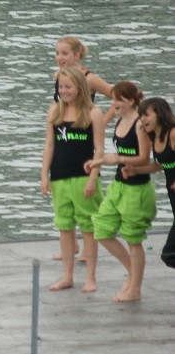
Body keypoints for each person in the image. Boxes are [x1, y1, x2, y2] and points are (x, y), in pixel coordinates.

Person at [86, 84, 157, 302]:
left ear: (132, 101)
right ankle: (131, 270)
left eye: (120, 100)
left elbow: (145, 158)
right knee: (101, 229)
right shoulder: (118, 121)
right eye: (113, 100)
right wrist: (98, 161)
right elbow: (114, 156)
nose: (115, 104)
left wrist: (118, 159)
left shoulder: (139, 125)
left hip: (137, 189)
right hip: (118, 186)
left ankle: (134, 288)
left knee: (133, 239)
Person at [40, 66, 105, 292]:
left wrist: (92, 178)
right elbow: (49, 145)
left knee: (88, 227)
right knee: (64, 227)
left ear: (80, 87)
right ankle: (67, 276)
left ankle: (91, 278)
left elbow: (99, 149)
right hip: (60, 177)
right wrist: (44, 176)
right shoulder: (54, 112)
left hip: (83, 177)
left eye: (68, 87)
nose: (64, 91)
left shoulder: (93, 113)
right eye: (61, 87)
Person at [52, 36, 113, 262]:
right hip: (67, 139)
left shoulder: (90, 78)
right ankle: (73, 245)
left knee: (87, 204)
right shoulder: (59, 77)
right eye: (57, 53)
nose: (60, 58)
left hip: (86, 145)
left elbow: (116, 96)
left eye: (65, 54)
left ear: (77, 56)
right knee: (66, 208)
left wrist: (104, 120)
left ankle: (88, 248)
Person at [122, 97, 175, 269]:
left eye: (146, 115)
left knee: (169, 254)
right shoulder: (156, 138)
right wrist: (136, 171)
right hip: (172, 193)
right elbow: (160, 164)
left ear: (159, 114)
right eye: (141, 115)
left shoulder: (173, 133)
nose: (142, 119)